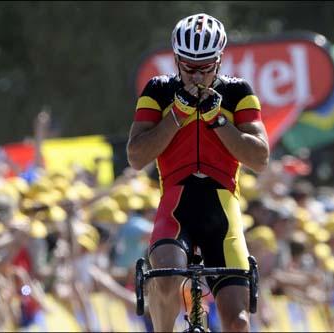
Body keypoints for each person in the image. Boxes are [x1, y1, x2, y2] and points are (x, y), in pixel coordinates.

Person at [126, 12, 269, 332]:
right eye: (188, 67)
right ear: (176, 59)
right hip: (176, 205)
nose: (196, 77)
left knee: (238, 323)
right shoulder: (158, 91)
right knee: (164, 280)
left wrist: (219, 120)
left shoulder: (238, 93)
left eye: (205, 68)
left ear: (219, 61)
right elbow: (136, 156)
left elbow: (259, 158)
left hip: (222, 211)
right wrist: (176, 114)